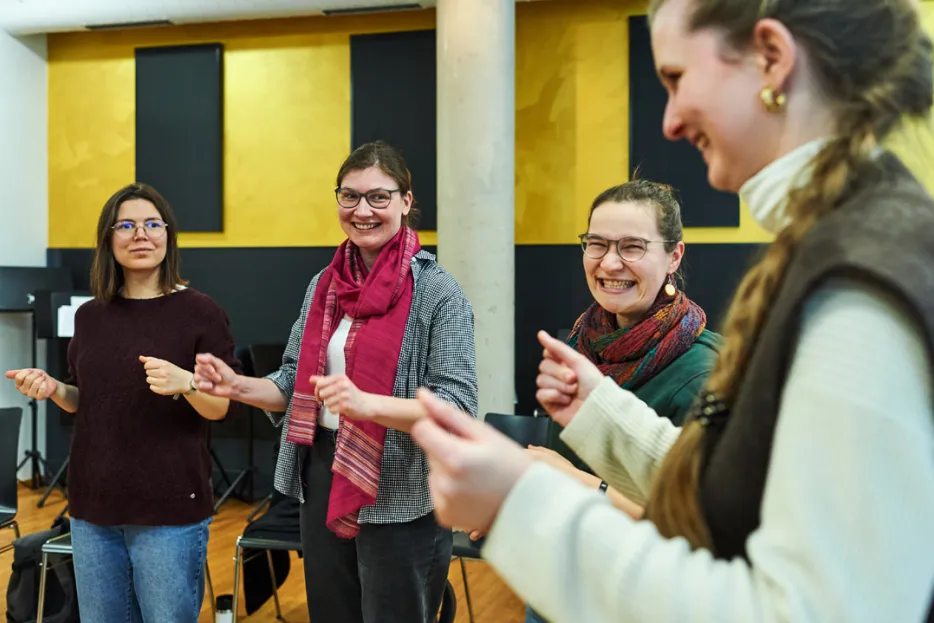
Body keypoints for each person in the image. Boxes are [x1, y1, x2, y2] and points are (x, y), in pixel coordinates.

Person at [409, 0, 934, 621]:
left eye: (677, 79)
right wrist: (599, 411)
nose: (670, 121)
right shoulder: (846, 241)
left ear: (772, 58)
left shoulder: (855, 292)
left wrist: (524, 505)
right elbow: (737, 491)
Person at [193, 140, 478, 623]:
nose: (362, 210)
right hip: (323, 472)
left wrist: (369, 406)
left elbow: (457, 406)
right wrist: (234, 386)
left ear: (406, 202)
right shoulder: (324, 284)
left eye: (379, 197)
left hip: (402, 485)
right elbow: (293, 381)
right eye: (350, 196)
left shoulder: (437, 291)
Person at [5, 183, 239, 623]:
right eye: (126, 225)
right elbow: (83, 399)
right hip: (93, 507)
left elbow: (221, 408)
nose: (141, 234)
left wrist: (188, 383)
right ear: (108, 240)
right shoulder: (90, 315)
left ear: (168, 235)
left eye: (152, 224)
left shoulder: (201, 312)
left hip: (169, 509)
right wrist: (53, 388)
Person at [522, 180, 720, 623]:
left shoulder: (703, 374)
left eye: (632, 247)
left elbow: (697, 531)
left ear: (674, 256)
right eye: (597, 244)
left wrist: (571, 483)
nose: (610, 262)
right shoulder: (583, 343)